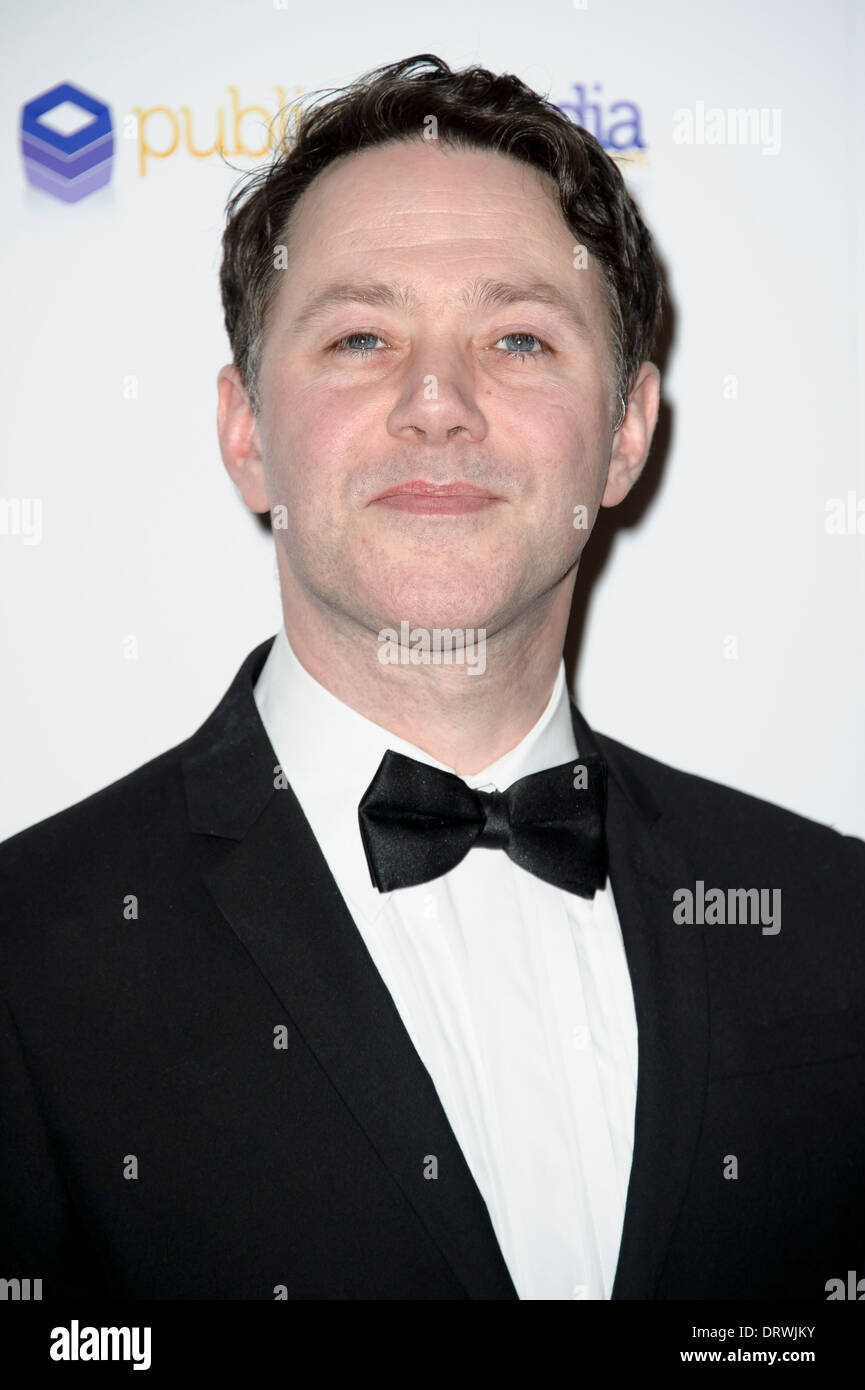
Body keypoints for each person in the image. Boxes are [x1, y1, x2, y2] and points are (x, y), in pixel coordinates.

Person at [1, 54, 862, 1303]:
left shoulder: (831, 920)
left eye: (518, 337)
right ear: (247, 432)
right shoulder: (29, 954)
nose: (437, 404)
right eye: (360, 335)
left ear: (625, 431)